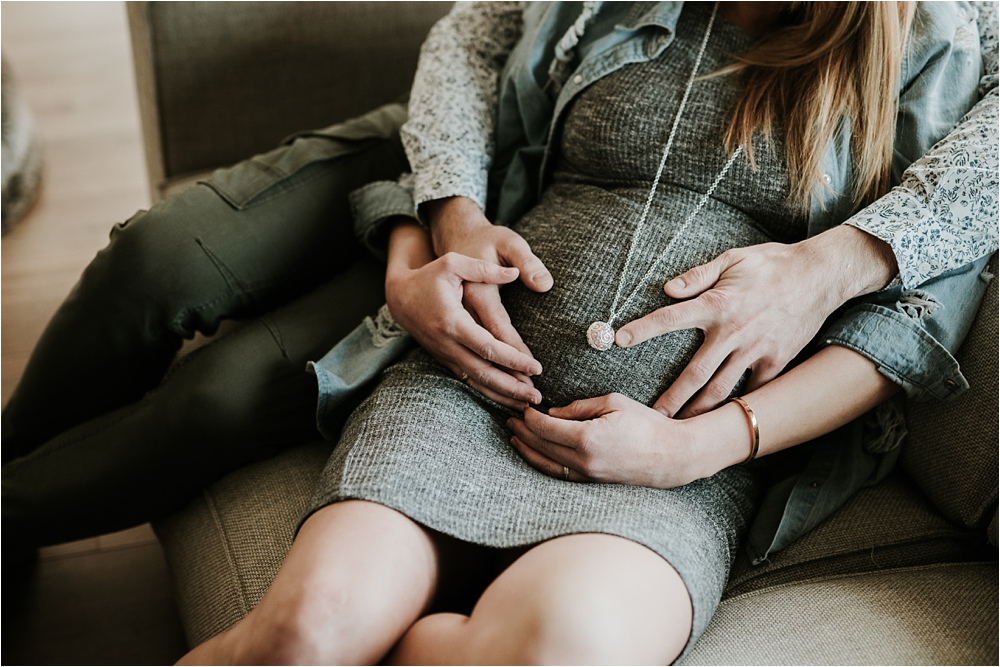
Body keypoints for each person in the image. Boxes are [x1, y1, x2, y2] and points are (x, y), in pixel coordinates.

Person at [172, 1, 996, 664]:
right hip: (464, 403)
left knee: (558, 650)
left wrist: (698, 449)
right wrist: (450, 220)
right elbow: (470, 49)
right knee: (298, 639)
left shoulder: (934, 51)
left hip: (669, 476)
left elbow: (904, 332)